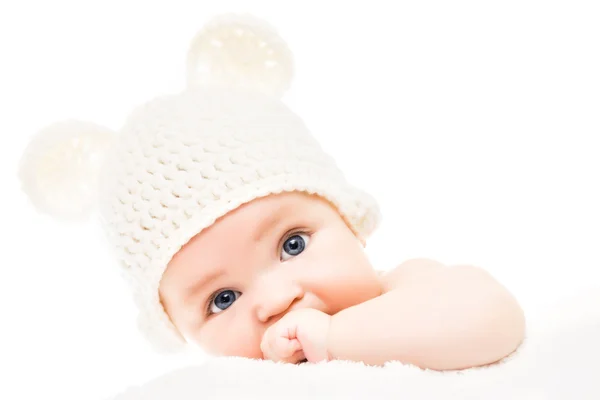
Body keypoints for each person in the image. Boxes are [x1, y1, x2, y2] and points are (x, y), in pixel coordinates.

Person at [18, 13, 525, 371]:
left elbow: (494, 318)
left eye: (292, 244)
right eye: (222, 299)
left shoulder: (407, 289)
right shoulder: (241, 381)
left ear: (349, 222)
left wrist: (336, 339)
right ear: (179, 331)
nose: (276, 300)